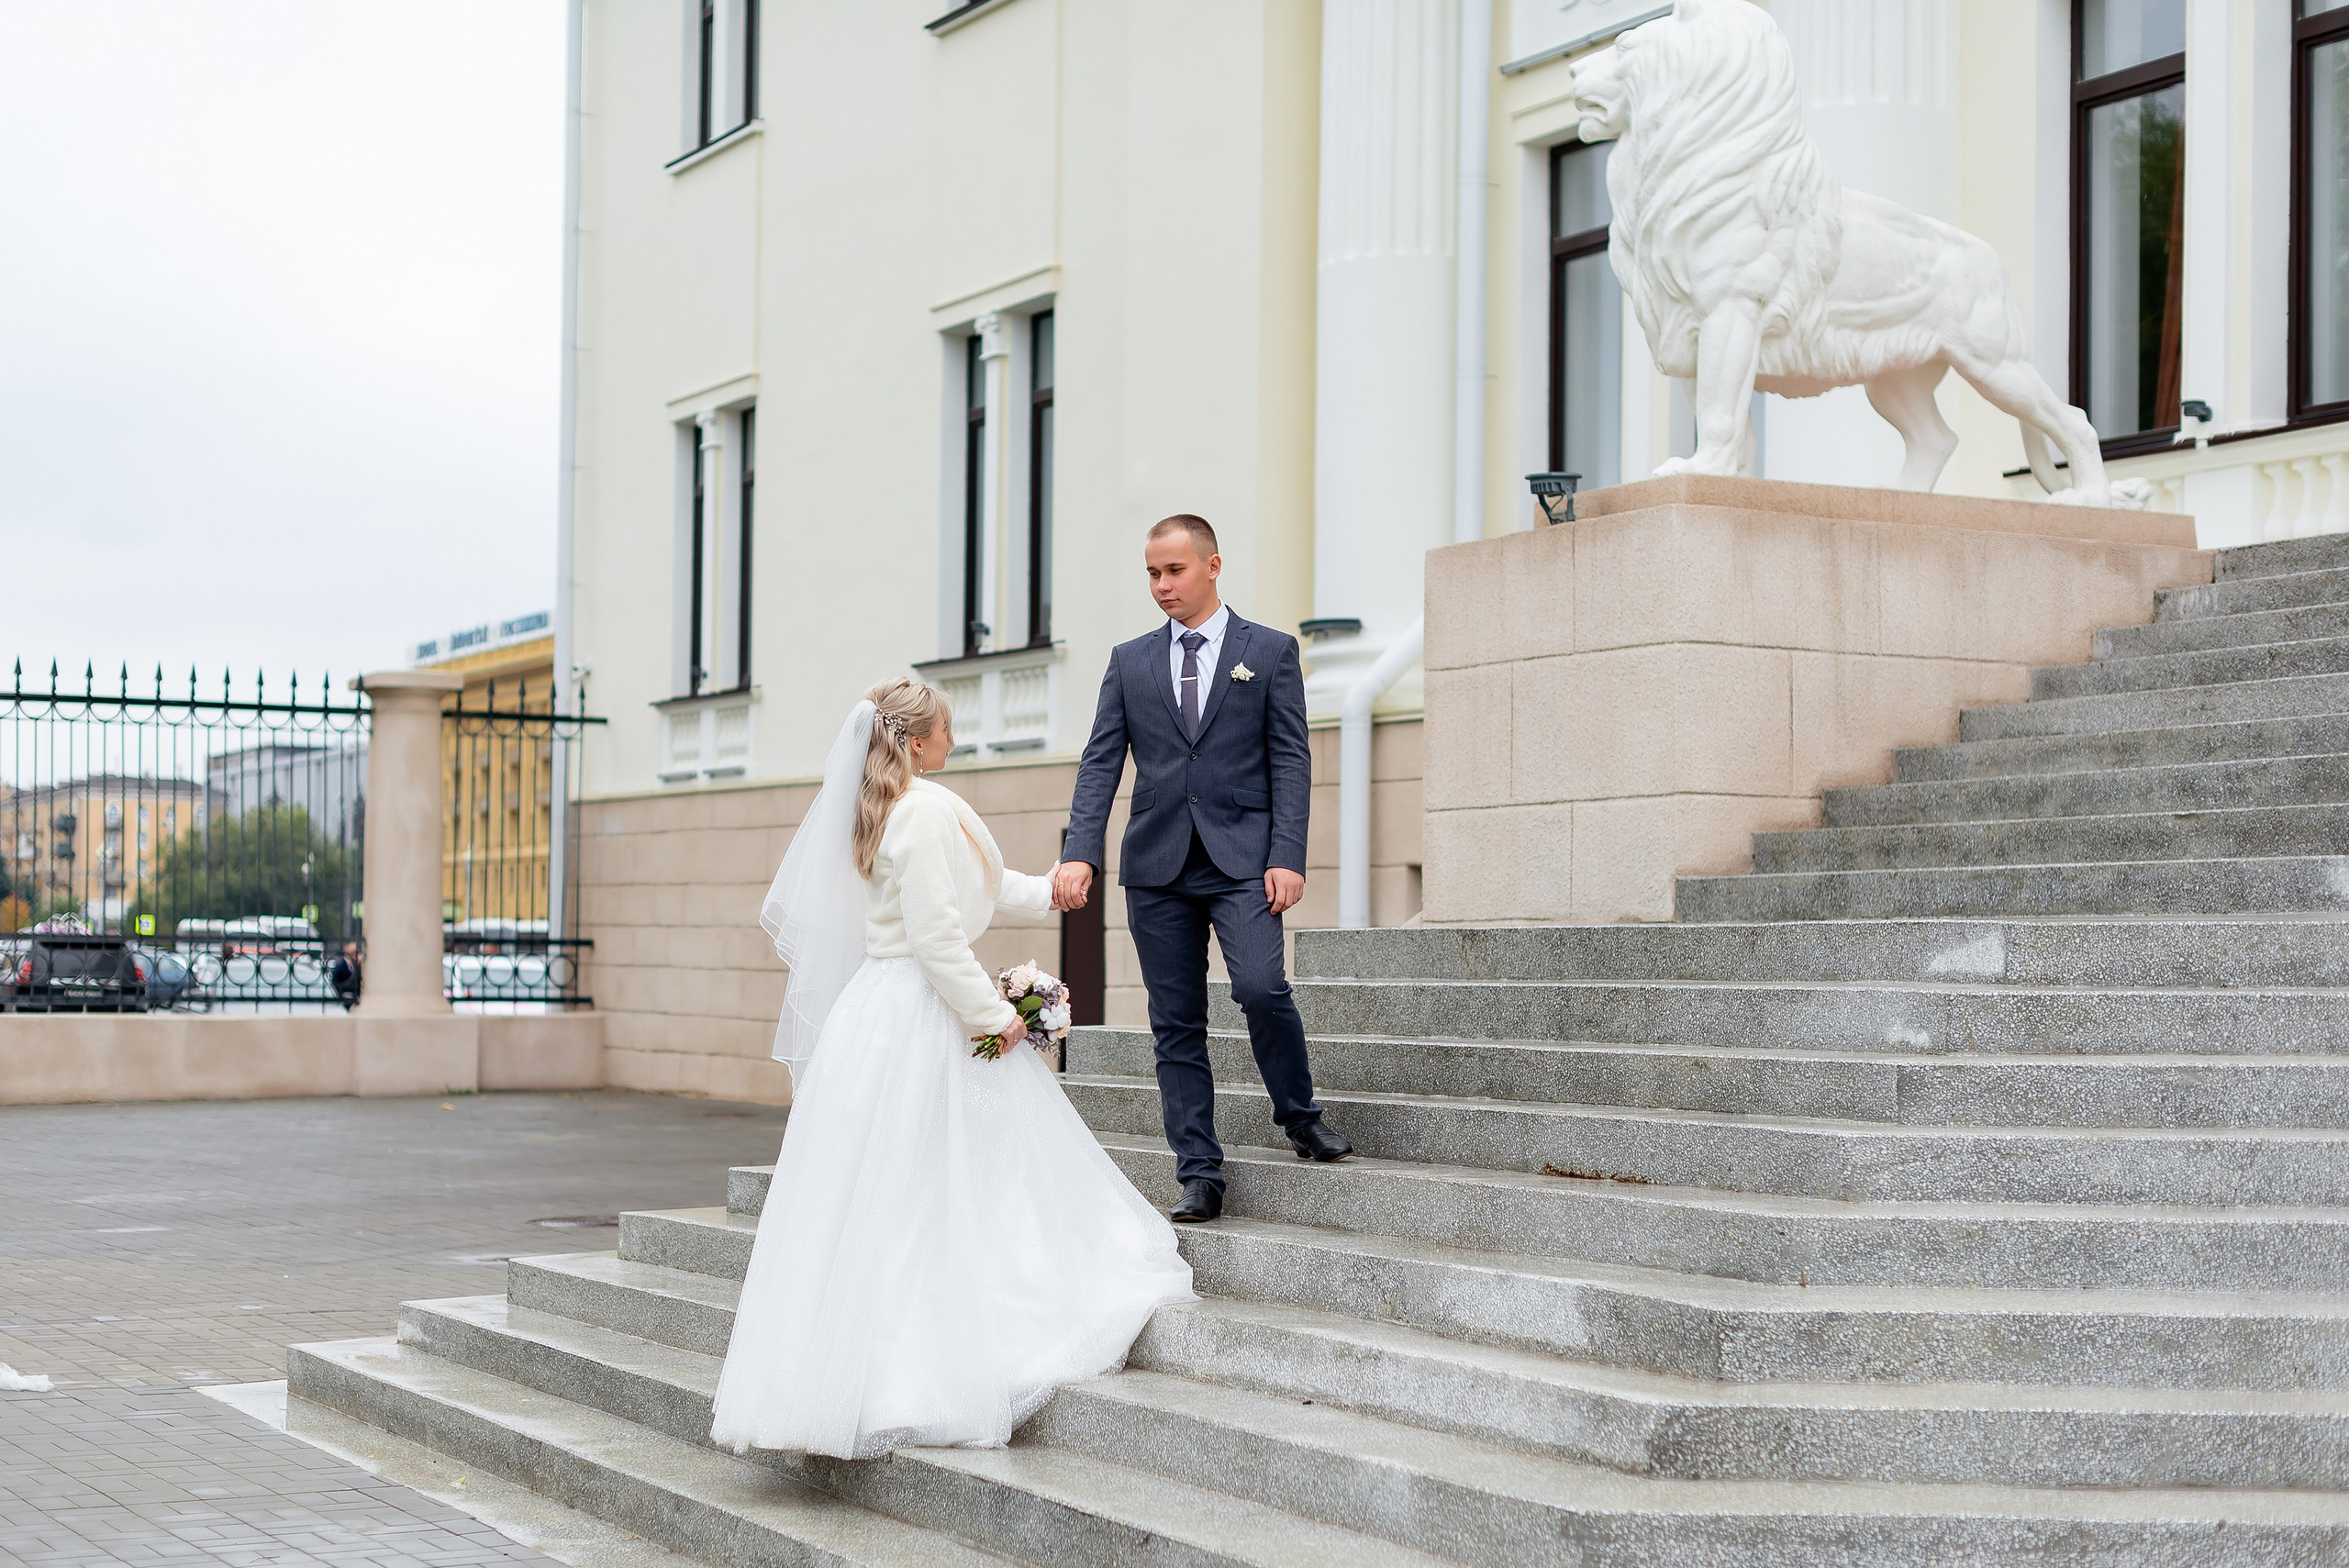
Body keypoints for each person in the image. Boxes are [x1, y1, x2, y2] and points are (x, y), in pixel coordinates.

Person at [709, 678, 1193, 1460]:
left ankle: (839, 1370)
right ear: (913, 740)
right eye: (946, 730)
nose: (955, 741)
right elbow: (937, 940)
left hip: (878, 1016)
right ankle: (924, 1364)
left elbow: (982, 890)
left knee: (893, 1189)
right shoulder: (926, 811)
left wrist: (1055, 890)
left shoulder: (887, 811)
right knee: (945, 1178)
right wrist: (998, 1018)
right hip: (922, 1011)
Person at [1055, 514, 1351, 1226]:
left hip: (1244, 859)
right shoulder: (1129, 661)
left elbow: (1291, 759)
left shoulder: (1271, 652)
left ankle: (1298, 1112)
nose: (1161, 585)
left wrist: (1287, 855)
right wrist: (1080, 850)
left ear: (1212, 566)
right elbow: (1102, 762)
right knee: (1175, 1024)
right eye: (1152, 573)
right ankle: (1199, 1174)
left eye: (1174, 571)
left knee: (1260, 984)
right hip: (1155, 867)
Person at [328, 941, 362, 1010]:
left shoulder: (355, 964)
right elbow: (335, 979)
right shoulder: (341, 964)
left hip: (354, 994)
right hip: (344, 994)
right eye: (354, 952)